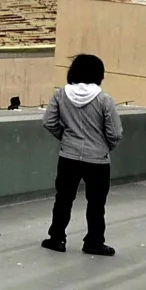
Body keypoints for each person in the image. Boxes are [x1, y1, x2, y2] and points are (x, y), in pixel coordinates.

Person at [42, 53, 122, 256]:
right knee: (96, 203)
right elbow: (115, 133)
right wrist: (105, 146)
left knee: (63, 199)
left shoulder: (60, 95)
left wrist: (66, 138)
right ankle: (93, 242)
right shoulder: (104, 99)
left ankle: (57, 239)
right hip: (98, 160)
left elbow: (49, 122)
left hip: (69, 156)